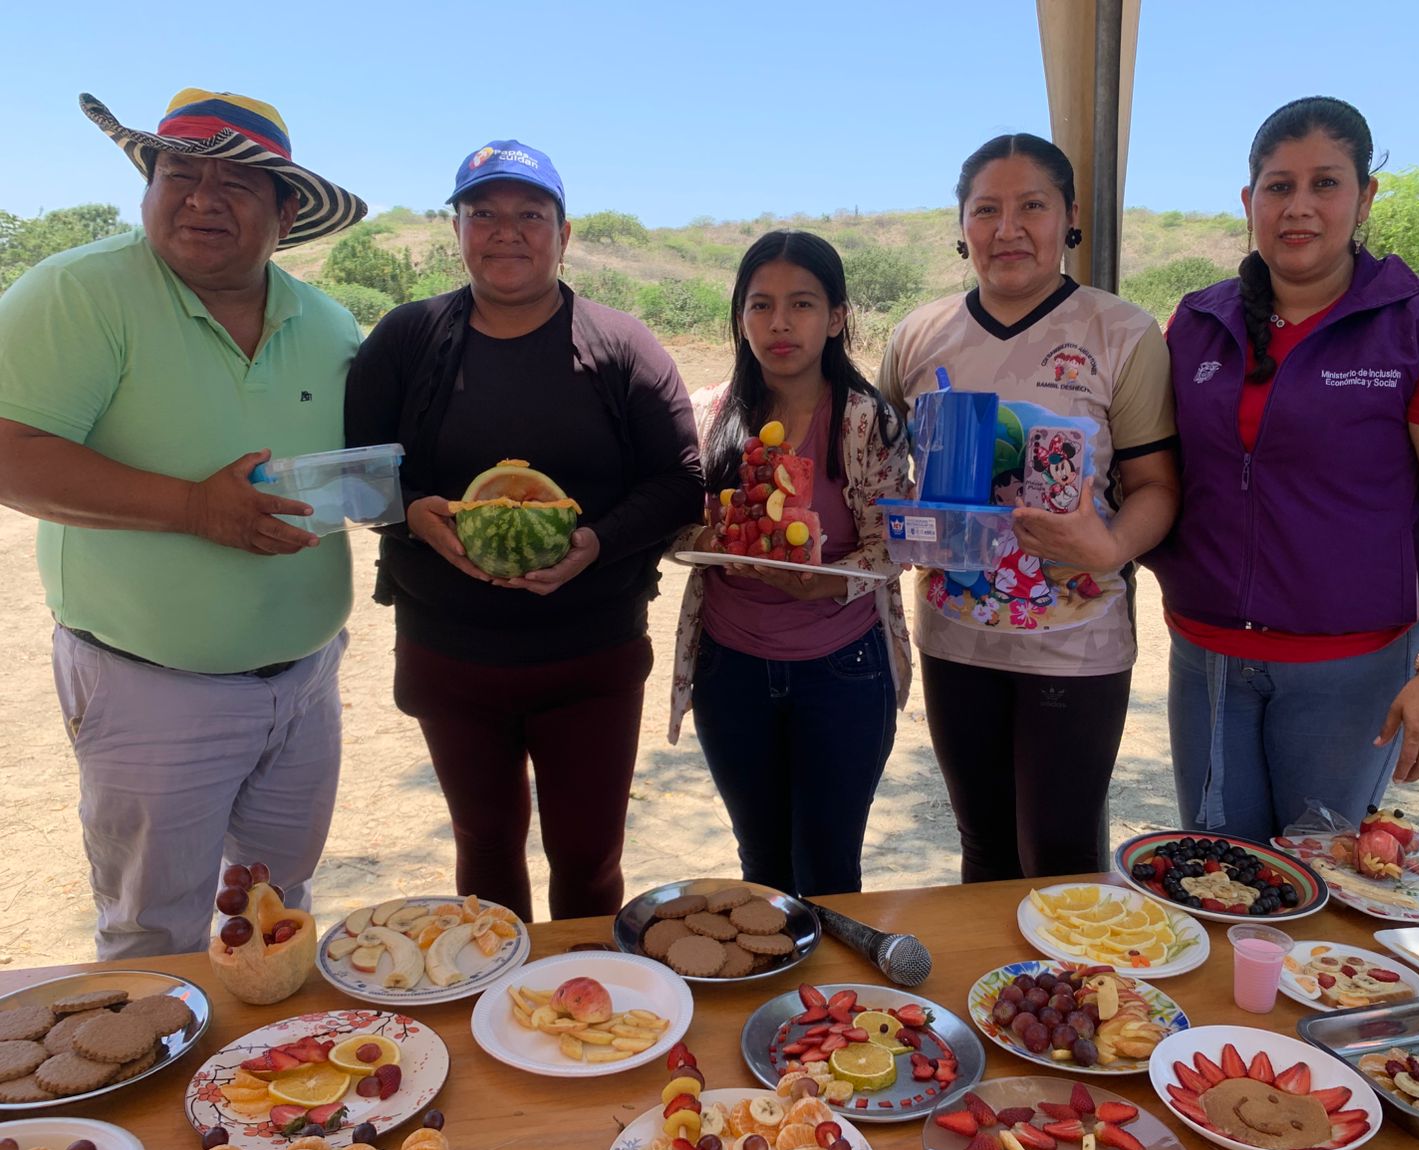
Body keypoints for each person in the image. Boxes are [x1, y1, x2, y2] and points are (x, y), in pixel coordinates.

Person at [0, 89, 367, 957]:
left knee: (277, 909)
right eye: (179, 175)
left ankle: (273, 1050)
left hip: (307, 679)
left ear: (286, 212)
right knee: (154, 931)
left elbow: (356, 468)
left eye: (236, 184)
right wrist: (195, 508)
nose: (202, 199)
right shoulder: (81, 291)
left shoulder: (328, 323)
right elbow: (11, 452)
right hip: (149, 687)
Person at [345, 140, 702, 922]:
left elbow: (682, 482)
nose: (506, 231)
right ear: (457, 230)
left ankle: (585, 987)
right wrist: (412, 511)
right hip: (449, 651)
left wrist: (597, 543)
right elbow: (359, 475)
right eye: (483, 213)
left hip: (591, 653)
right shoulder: (406, 339)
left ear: (563, 234)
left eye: (530, 215)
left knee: (590, 856)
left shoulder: (621, 345)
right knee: (484, 844)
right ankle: (495, 988)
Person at [1143, 96, 1419, 843]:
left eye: (1326, 184)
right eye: (1279, 186)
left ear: (1365, 197)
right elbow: (1160, 473)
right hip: (1208, 659)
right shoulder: (1196, 323)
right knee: (1217, 877)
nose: (1299, 207)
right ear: (1249, 201)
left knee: (1330, 883)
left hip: (1352, 669)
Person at [879, 134, 1179, 881]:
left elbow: (1157, 487)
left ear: (1070, 216)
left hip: (1077, 643)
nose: (1007, 229)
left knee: (1062, 858)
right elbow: (876, 465)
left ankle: (1073, 967)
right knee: (982, 850)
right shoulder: (917, 336)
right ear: (962, 225)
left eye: (1032, 206)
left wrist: (1110, 548)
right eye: (986, 210)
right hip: (955, 638)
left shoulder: (1122, 332)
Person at [666, 231, 913, 897]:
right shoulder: (707, 414)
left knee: (829, 868)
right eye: (761, 305)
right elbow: (673, 528)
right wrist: (709, 537)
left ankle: (829, 971)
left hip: (843, 671)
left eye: (802, 304)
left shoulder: (868, 422)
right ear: (740, 317)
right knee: (762, 866)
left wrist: (821, 584)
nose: (780, 323)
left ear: (836, 318)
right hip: (729, 670)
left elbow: (893, 544)